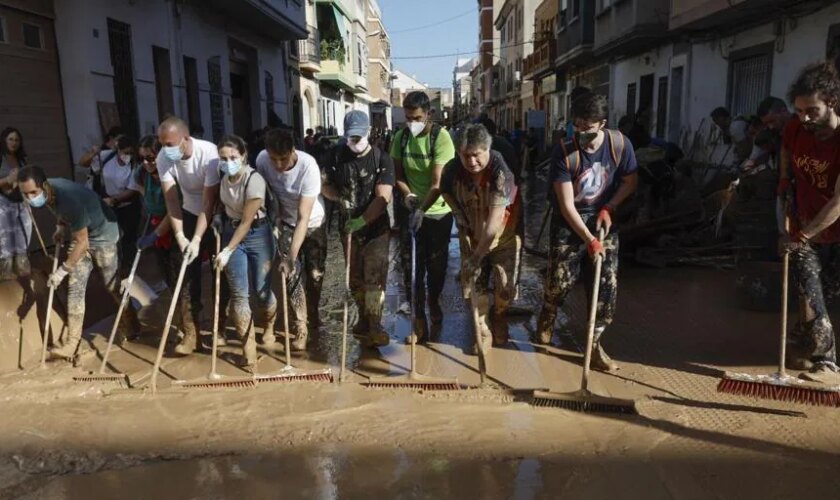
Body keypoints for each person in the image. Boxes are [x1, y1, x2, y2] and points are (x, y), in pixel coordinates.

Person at [535, 92, 638, 372]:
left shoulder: (619, 145)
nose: (580, 132)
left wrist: (610, 207)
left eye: (587, 127)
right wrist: (589, 239)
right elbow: (567, 205)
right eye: (576, 125)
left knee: (606, 287)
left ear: (601, 123)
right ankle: (549, 310)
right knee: (559, 281)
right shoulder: (564, 150)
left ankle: (594, 345)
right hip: (570, 223)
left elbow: (630, 181)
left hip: (603, 221)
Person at [18, 165, 136, 360]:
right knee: (75, 288)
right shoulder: (48, 193)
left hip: (103, 236)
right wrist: (59, 227)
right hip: (82, 234)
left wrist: (62, 270)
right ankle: (72, 343)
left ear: (44, 186)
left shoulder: (68, 198)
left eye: (33, 192)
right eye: (26, 194)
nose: (31, 198)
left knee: (111, 285)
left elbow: (83, 242)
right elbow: (61, 213)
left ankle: (131, 322)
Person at [778, 62, 840, 384]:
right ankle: (826, 361)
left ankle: (802, 338)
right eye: (799, 111)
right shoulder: (795, 127)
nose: (804, 118)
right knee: (810, 291)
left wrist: (803, 232)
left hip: (832, 228)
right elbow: (787, 152)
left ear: (831, 101)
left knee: (828, 294)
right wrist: (785, 181)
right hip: (804, 224)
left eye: (811, 110)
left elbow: (839, 202)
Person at [440, 124, 520, 353]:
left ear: (487, 149)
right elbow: (444, 191)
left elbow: (494, 223)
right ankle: (483, 330)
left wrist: (477, 256)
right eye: (466, 155)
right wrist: (458, 216)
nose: (471, 161)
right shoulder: (452, 170)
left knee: (505, 286)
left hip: (502, 234)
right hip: (472, 234)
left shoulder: (501, 172)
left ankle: (500, 316)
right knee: (474, 287)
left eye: (476, 155)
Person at [322, 111, 394, 348]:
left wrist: (362, 220)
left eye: (359, 137)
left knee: (374, 278)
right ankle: (363, 319)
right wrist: (338, 198)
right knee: (354, 279)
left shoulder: (381, 159)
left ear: (368, 133)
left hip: (376, 230)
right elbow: (324, 184)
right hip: (348, 229)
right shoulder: (336, 156)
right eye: (351, 138)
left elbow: (383, 197)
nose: (355, 142)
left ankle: (375, 325)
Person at [390, 91, 456, 343]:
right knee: (411, 268)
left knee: (436, 268)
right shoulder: (401, 137)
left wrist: (423, 210)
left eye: (416, 118)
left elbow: (438, 183)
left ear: (429, 114)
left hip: (438, 212)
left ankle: (433, 301)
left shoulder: (442, 139)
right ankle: (419, 319)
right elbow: (398, 175)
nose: (412, 123)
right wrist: (408, 197)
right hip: (410, 208)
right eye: (407, 118)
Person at [256, 128, 326, 351]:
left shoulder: (308, 167)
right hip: (285, 222)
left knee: (315, 277)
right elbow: (266, 192)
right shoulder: (262, 160)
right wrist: (273, 217)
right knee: (292, 277)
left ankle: (316, 321)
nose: (278, 165)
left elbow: (304, 217)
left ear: (293, 151)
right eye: (273, 159)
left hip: (312, 223)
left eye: (283, 159)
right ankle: (301, 326)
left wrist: (291, 256)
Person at [157, 116, 222, 356]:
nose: (166, 149)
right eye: (162, 144)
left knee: (221, 271)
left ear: (185, 139)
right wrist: (182, 237)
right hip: (189, 210)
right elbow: (172, 200)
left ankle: (221, 327)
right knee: (184, 270)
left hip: (215, 212)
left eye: (170, 144)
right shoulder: (163, 158)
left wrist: (197, 239)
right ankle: (191, 331)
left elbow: (209, 200)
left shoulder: (209, 154)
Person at [213, 135, 275, 368]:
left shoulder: (254, 180)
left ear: (243, 156)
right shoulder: (222, 179)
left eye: (233, 157)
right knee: (239, 294)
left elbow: (247, 221)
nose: (228, 162)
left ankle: (269, 325)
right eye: (223, 158)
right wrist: (219, 216)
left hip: (258, 233)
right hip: (231, 232)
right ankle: (248, 350)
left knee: (261, 291)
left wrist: (227, 250)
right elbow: (224, 204)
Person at [131, 135, 173, 287]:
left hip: (175, 223)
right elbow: (147, 197)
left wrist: (155, 234)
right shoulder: (141, 173)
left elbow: (173, 210)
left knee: (178, 267)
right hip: (155, 220)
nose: (145, 163)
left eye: (149, 158)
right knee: (164, 266)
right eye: (141, 158)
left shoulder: (171, 174)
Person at [100, 135, 141, 268]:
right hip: (108, 204)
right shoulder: (106, 157)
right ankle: (113, 264)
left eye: (130, 153)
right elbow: (85, 162)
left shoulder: (135, 165)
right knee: (110, 237)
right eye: (125, 152)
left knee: (128, 238)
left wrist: (114, 199)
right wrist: (93, 152)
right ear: (118, 150)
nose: (127, 156)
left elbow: (131, 190)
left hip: (127, 206)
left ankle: (129, 266)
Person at [0, 127, 33, 291]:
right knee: (5, 240)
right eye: (11, 139)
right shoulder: (1, 158)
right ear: (4, 140)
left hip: (21, 203)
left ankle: (23, 277)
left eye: (17, 140)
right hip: (3, 204)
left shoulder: (22, 159)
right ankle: (7, 283)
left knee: (23, 237)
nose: (14, 143)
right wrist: (7, 179)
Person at [78, 126, 123, 196]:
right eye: (119, 139)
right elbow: (82, 163)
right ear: (111, 138)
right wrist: (93, 153)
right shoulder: (100, 151)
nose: (120, 142)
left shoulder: (121, 151)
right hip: (99, 187)